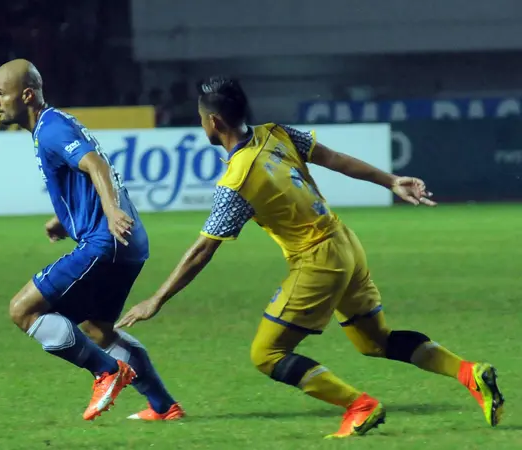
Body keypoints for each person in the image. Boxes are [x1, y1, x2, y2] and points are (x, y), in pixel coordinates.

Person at [116, 76, 504, 437]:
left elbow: (203, 249)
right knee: (375, 341)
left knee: (267, 354)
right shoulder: (277, 133)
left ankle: (360, 405)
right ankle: (470, 373)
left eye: (202, 120)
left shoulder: (236, 180)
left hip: (318, 259)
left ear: (213, 122)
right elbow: (334, 159)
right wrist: (390, 180)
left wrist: (157, 299)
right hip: (346, 243)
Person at [0, 59, 183, 421]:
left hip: (105, 242)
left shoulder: (50, 129)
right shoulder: (52, 125)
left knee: (23, 310)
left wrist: (110, 213)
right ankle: (164, 406)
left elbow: (96, 165)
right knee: (98, 329)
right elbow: (82, 179)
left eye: (1, 93)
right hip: (128, 245)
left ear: (26, 95)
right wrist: (65, 220)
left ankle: (106, 371)